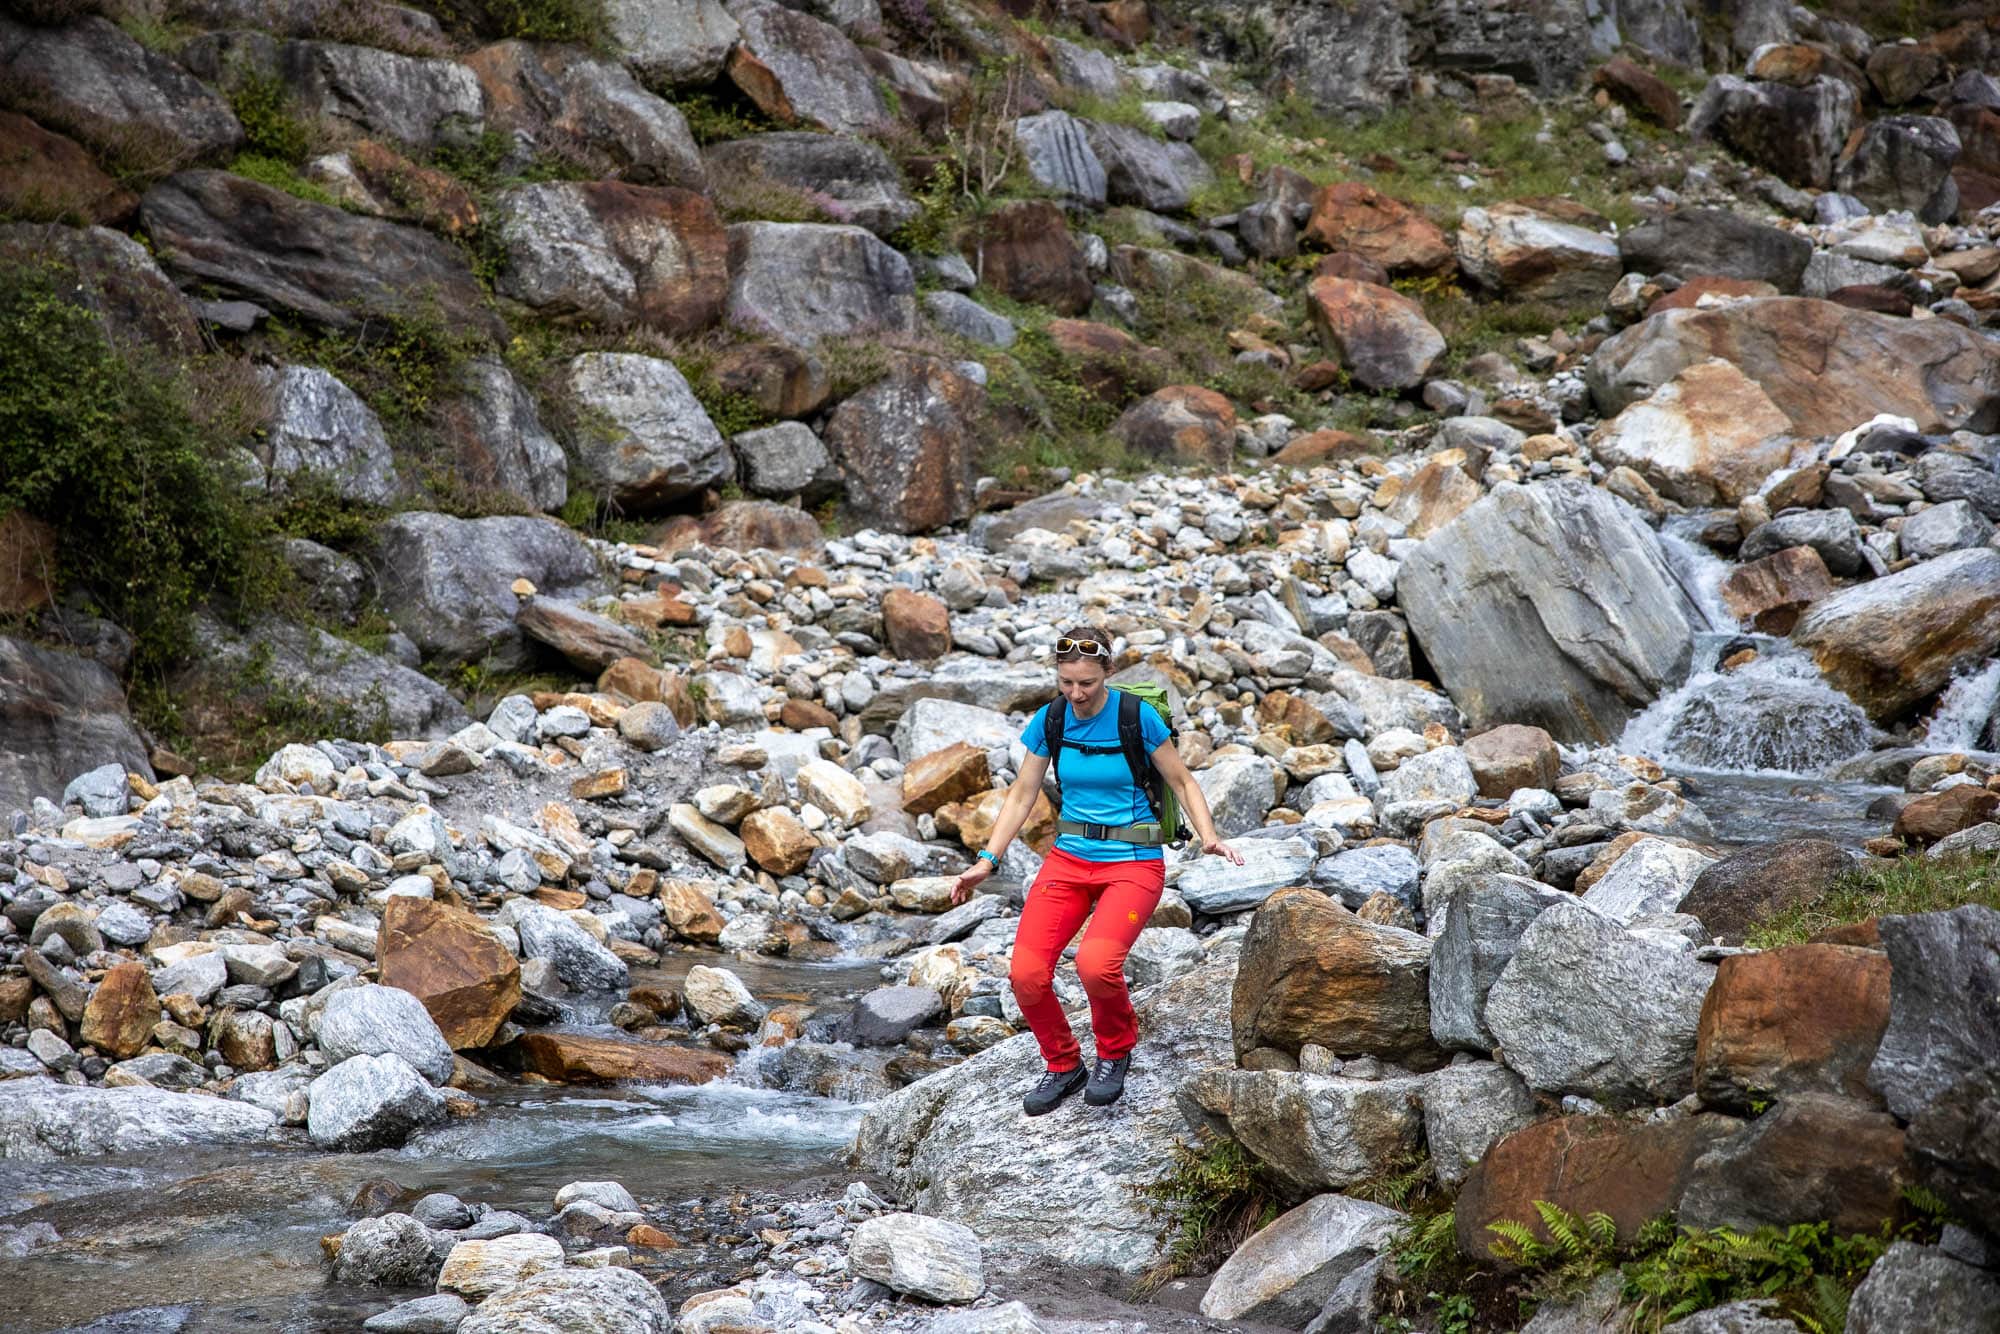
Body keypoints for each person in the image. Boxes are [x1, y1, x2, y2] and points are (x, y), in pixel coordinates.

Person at [951, 627, 1243, 1115]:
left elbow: (1183, 782)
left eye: (1086, 682)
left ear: (1108, 672)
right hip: (1069, 860)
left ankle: (1114, 1052)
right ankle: (1064, 1064)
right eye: (1066, 682)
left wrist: (1208, 835)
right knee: (1025, 973)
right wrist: (987, 861)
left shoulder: (1136, 717)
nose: (1076, 693)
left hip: (1134, 861)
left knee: (1095, 964)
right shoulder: (1051, 719)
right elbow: (1023, 793)